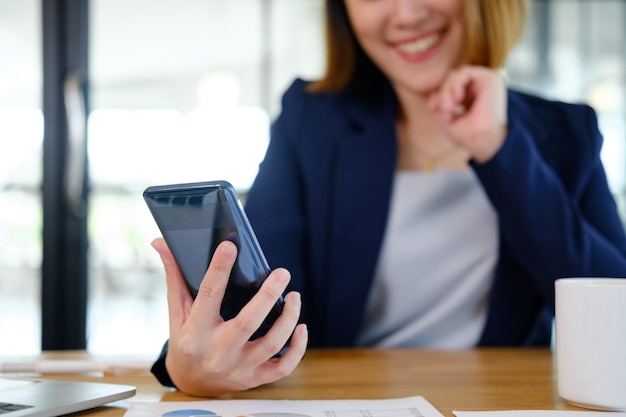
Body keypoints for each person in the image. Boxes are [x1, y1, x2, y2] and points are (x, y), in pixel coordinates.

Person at [150, 0, 626, 397]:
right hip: (351, 401)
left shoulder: (565, 133)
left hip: (500, 400)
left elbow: (615, 317)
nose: (404, 13)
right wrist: (189, 365)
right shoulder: (311, 122)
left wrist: (498, 148)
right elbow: (263, 299)